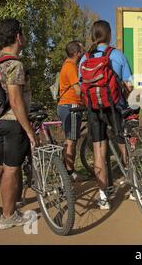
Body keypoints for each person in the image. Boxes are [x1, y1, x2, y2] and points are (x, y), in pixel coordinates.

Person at [0, 18, 40, 229]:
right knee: (11, 169)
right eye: (22, 35)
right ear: (17, 37)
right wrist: (29, 130)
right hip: (13, 124)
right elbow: (15, 101)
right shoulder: (15, 64)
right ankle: (8, 216)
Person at [78, 20, 133, 209]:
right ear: (109, 35)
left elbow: (81, 88)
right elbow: (129, 84)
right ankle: (134, 188)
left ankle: (103, 197)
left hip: (94, 110)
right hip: (115, 107)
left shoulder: (84, 59)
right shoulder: (117, 55)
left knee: (98, 152)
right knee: (124, 145)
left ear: (93, 35)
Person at [57, 41, 85, 181]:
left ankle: (65, 171)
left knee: (69, 139)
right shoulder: (71, 66)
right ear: (76, 53)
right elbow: (77, 90)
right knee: (71, 140)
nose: (83, 52)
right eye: (81, 50)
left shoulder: (66, 65)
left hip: (65, 105)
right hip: (71, 106)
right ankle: (70, 173)